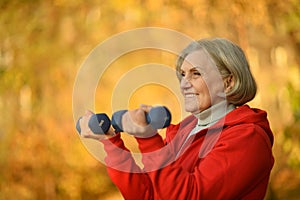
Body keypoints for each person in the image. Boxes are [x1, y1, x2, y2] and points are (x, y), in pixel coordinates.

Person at [79, 38, 274, 199]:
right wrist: (111, 142)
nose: (184, 84)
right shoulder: (184, 131)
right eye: (182, 75)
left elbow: (189, 196)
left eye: (196, 74)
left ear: (229, 82)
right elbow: (147, 195)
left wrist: (148, 139)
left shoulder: (248, 138)